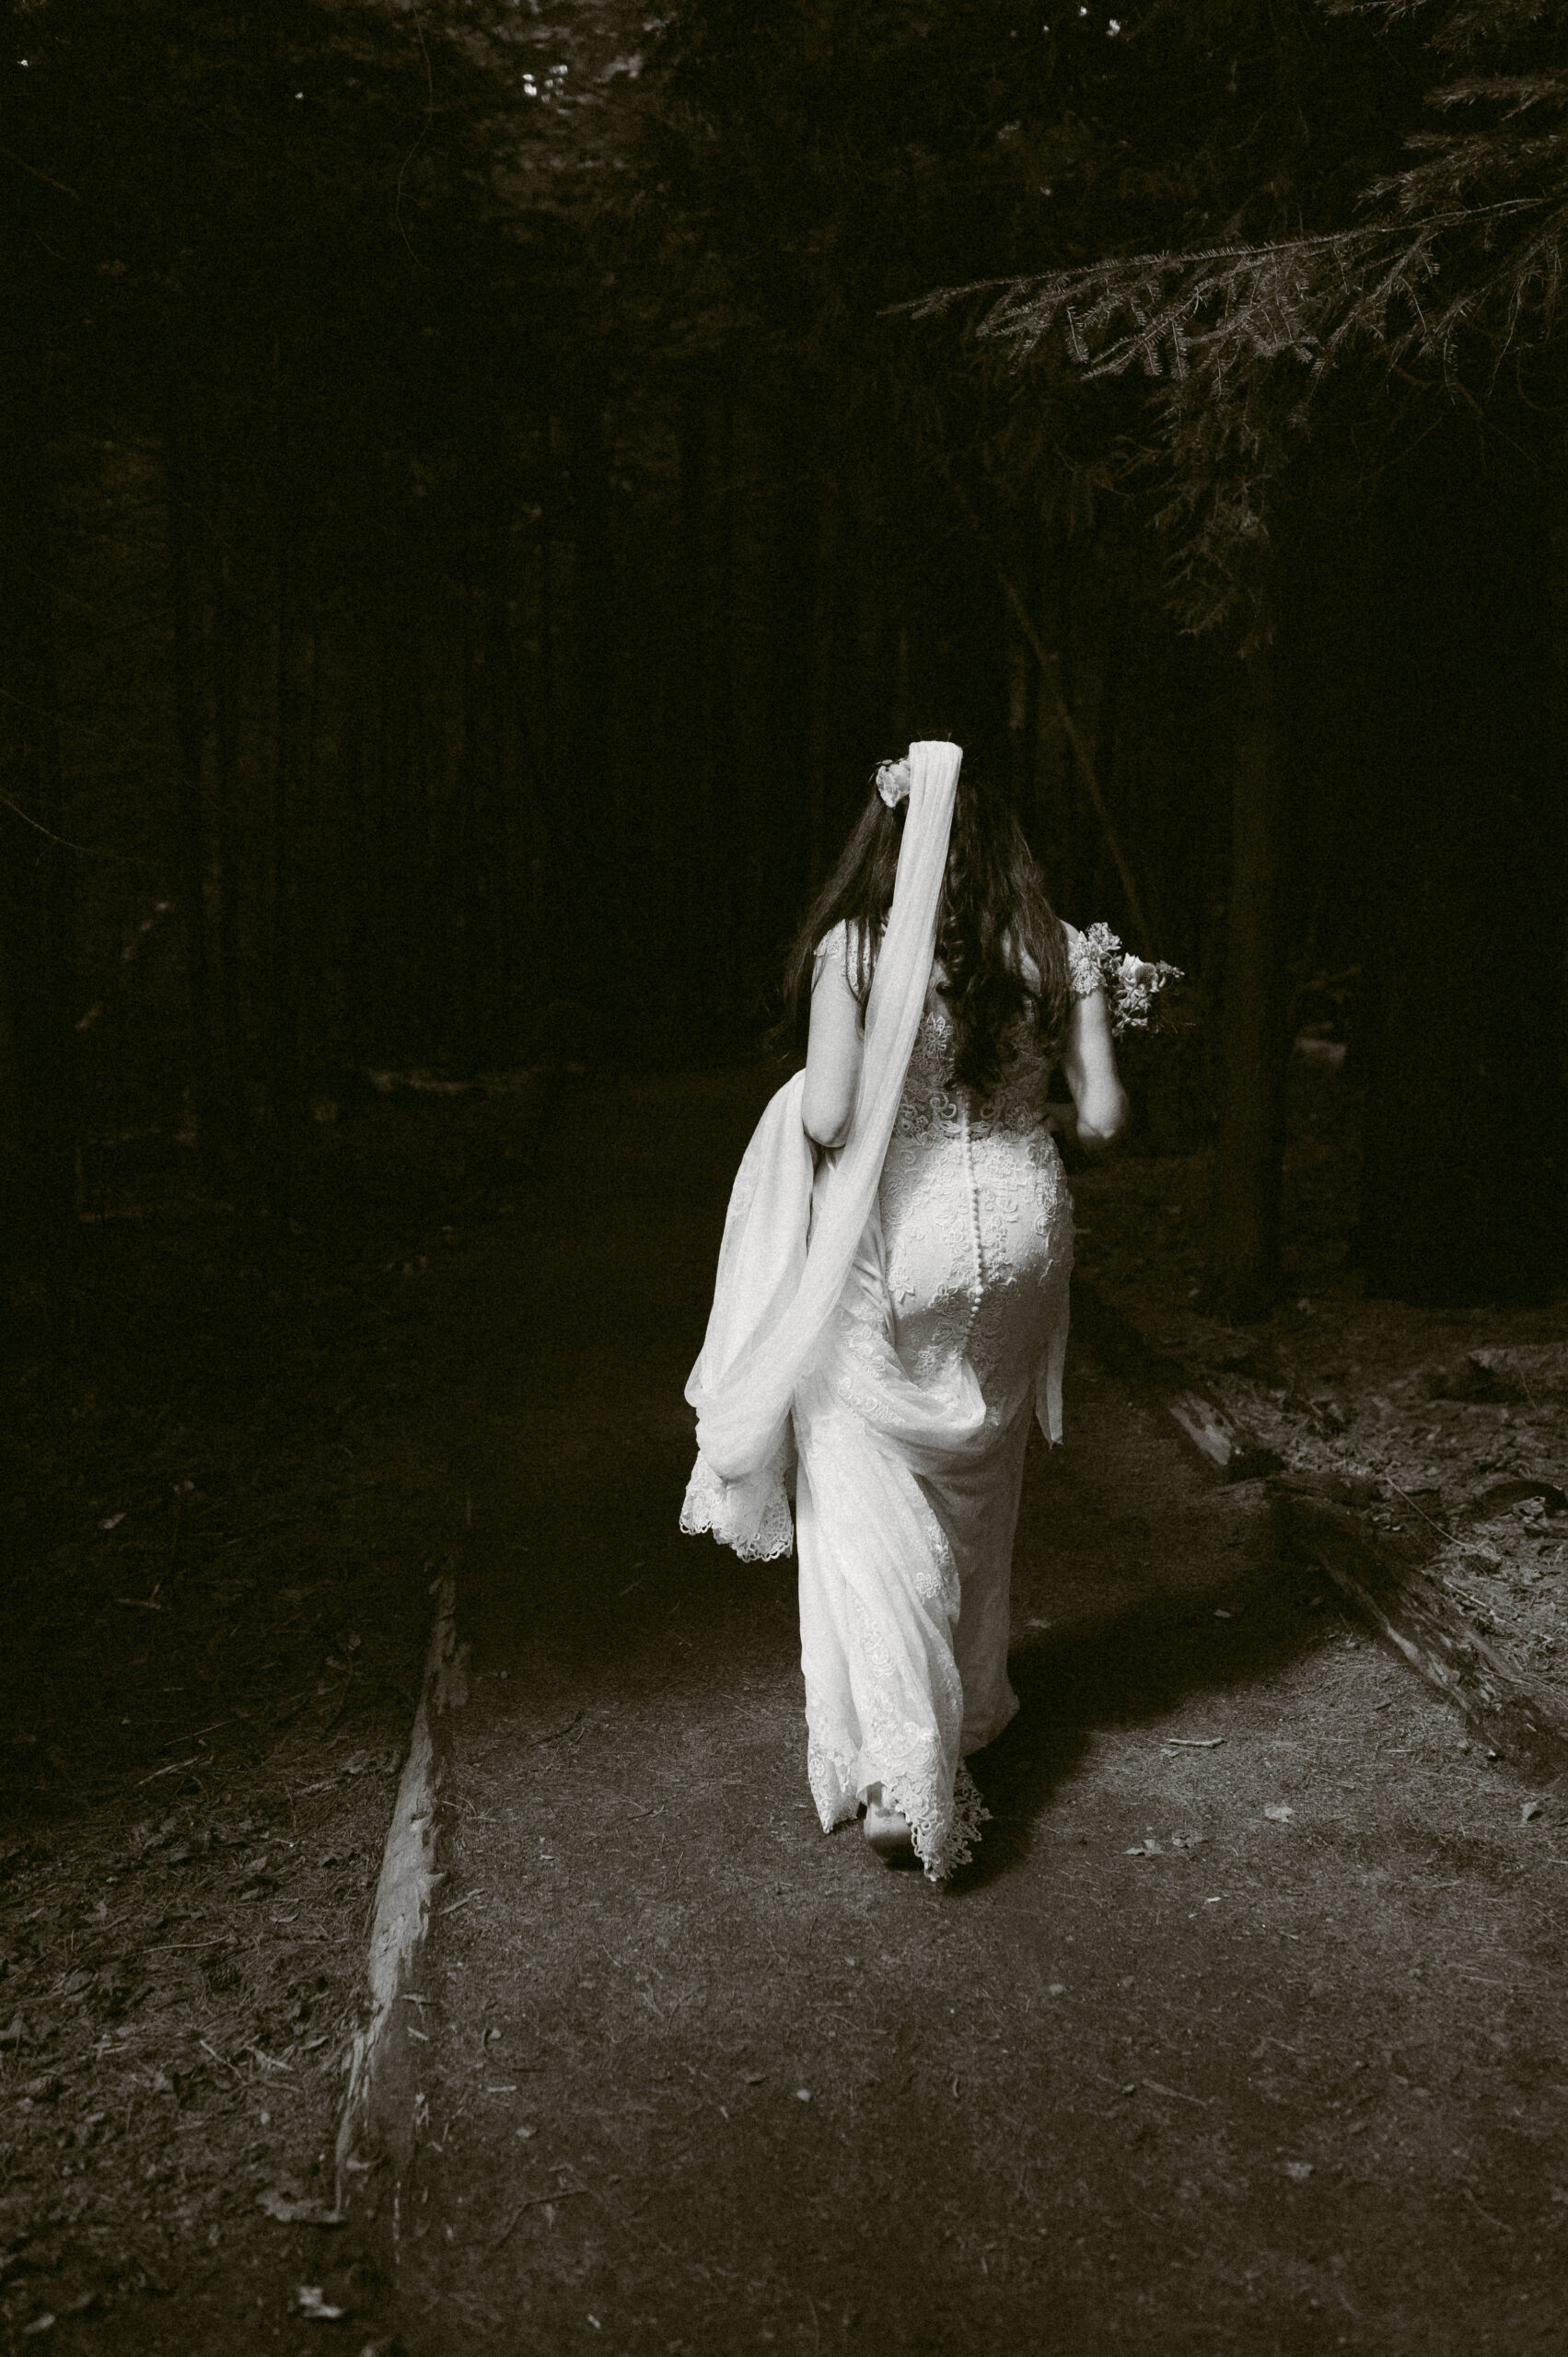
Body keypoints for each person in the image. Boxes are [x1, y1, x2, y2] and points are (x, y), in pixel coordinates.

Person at [681, 740, 1134, 1881]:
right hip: (1028, 1237)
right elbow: (1107, 1122)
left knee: (860, 1473)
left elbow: (830, 1118)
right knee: (978, 1475)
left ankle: (903, 1769)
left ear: (897, 833)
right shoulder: (1061, 951)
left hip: (910, 1239)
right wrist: (1107, 1019)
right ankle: (967, 1700)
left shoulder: (859, 950)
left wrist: (806, 1107)